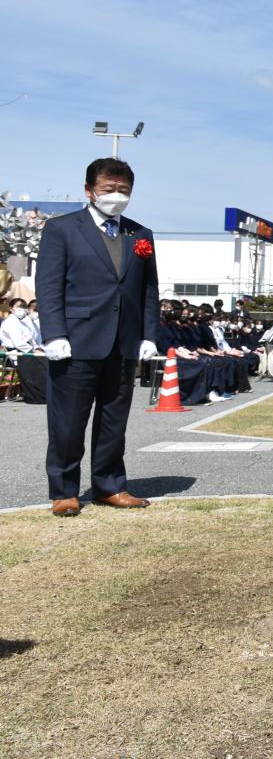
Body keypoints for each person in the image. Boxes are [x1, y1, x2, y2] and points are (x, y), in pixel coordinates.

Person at [36, 158, 161, 516]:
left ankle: (110, 485)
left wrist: (149, 334)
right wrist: (54, 333)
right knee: (68, 421)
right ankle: (64, 490)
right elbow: (49, 286)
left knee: (113, 420)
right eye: (109, 189)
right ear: (89, 189)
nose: (117, 196)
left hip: (123, 343)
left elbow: (148, 290)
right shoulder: (62, 229)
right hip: (75, 341)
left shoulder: (140, 234)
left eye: (124, 190)